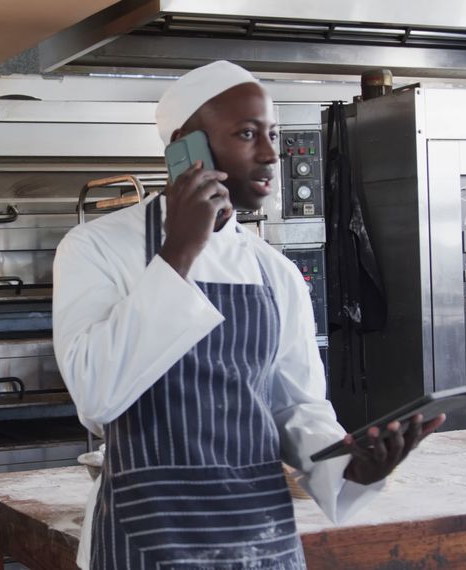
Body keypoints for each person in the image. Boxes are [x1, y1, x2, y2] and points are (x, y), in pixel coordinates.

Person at [52, 61, 445, 570]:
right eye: (246, 133)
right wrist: (179, 253)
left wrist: (355, 468)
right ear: (184, 149)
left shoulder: (273, 272)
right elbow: (96, 395)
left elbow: (297, 409)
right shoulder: (98, 247)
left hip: (260, 541)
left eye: (273, 134)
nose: (269, 153)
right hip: (145, 541)